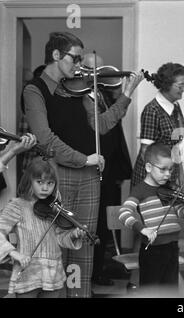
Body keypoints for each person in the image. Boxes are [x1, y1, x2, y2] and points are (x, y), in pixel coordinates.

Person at [22, 32, 144, 297]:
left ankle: (79, 295)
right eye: (75, 58)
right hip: (57, 174)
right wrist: (82, 159)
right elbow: (45, 139)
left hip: (88, 176)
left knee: (83, 244)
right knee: (55, 245)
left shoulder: (79, 89)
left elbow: (102, 125)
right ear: (56, 55)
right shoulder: (35, 90)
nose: (79, 66)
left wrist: (126, 94)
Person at [119, 143, 184, 295]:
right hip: (152, 251)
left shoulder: (169, 190)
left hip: (172, 247)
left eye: (170, 169)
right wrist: (142, 228)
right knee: (151, 293)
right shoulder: (140, 190)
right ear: (148, 167)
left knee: (170, 291)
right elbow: (124, 213)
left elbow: (181, 212)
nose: (168, 174)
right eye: (162, 169)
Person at [81, 53, 133, 286]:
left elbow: (115, 126)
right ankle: (92, 271)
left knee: (105, 220)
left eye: (99, 70)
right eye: (90, 69)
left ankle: (101, 267)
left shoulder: (103, 94)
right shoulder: (82, 98)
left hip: (110, 169)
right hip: (93, 169)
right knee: (95, 221)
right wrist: (127, 95)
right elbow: (102, 127)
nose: (97, 75)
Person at [0, 157, 86, 298]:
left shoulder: (53, 208)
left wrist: (73, 235)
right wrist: (15, 254)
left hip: (52, 274)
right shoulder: (17, 206)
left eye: (50, 183)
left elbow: (58, 237)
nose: (45, 188)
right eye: (39, 182)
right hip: (28, 274)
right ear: (29, 181)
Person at [131, 62, 184, 188]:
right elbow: (145, 152)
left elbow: (175, 145)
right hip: (152, 180)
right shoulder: (152, 110)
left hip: (167, 174)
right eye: (180, 86)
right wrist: (161, 181)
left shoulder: (176, 106)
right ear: (167, 86)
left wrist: (180, 173)